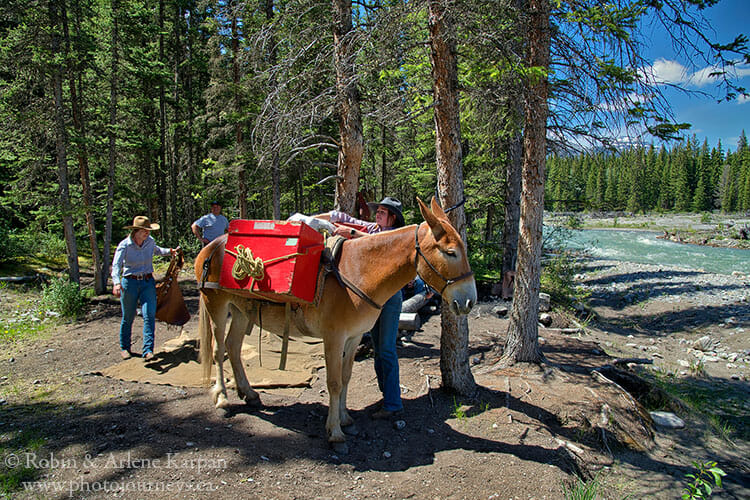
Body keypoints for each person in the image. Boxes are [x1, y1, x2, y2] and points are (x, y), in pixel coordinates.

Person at [319, 196, 406, 419]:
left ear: (392, 218)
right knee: (378, 348)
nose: (377, 213)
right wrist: (317, 220)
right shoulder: (373, 227)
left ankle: (393, 403)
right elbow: (344, 219)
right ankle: (386, 396)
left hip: (389, 298)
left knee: (386, 349)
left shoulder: (393, 237)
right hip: (372, 298)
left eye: (383, 212)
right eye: (378, 210)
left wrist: (354, 235)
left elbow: (380, 247)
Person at [112, 216, 175, 361]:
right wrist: (116, 283)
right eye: (144, 231)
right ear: (136, 231)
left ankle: (148, 350)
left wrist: (170, 251)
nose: (147, 233)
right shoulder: (125, 245)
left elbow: (157, 250)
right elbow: (116, 265)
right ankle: (125, 348)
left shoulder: (150, 242)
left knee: (149, 315)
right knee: (128, 317)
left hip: (147, 282)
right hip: (130, 283)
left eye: (148, 231)